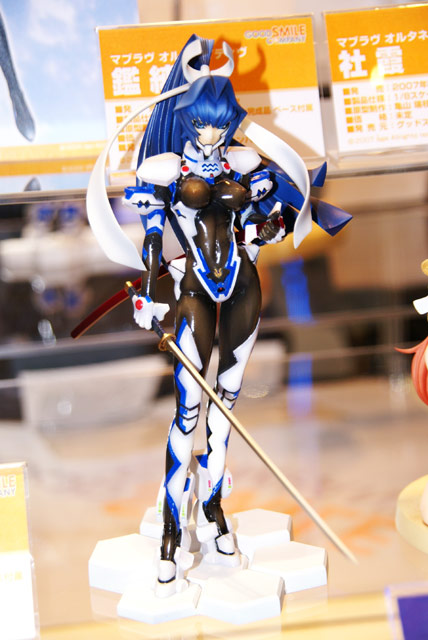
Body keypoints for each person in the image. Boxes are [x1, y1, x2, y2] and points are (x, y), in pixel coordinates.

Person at [89, 34, 351, 596]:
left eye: (219, 124)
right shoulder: (164, 168)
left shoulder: (245, 161)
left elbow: (262, 221)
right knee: (188, 411)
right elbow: (152, 239)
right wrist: (148, 292)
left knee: (225, 410)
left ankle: (212, 507)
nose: (210, 135)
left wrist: (273, 221)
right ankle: (170, 528)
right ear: (187, 118)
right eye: (202, 124)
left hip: (243, 290)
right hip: (193, 293)